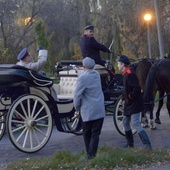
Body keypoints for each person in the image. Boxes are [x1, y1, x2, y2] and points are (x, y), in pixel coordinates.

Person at [116, 55, 152, 150]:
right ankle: (130, 144)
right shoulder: (125, 73)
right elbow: (126, 89)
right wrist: (124, 98)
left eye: (118, 63)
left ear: (123, 64)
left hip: (134, 103)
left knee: (135, 122)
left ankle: (147, 145)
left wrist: (130, 97)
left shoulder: (130, 73)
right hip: (129, 103)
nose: (117, 65)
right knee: (125, 121)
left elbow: (136, 88)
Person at [73, 57, 105, 159]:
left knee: (87, 134)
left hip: (88, 112)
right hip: (99, 110)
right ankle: (92, 155)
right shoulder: (97, 75)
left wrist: (76, 108)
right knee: (95, 134)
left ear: (84, 66)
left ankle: (89, 155)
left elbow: (77, 96)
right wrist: (79, 71)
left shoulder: (82, 78)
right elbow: (87, 74)